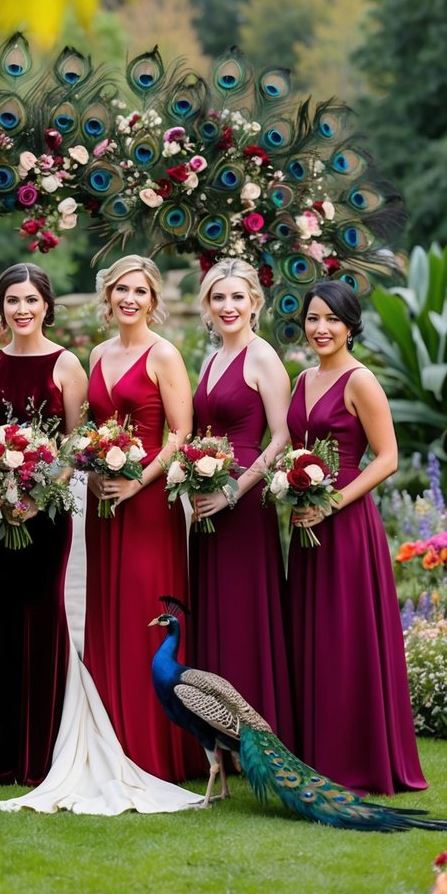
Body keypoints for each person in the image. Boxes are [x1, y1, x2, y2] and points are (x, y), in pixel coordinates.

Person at [286, 281, 426, 794]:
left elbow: (386, 457)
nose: (321, 329)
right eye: (313, 318)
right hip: (306, 522)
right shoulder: (302, 379)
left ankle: (355, 757)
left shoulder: (359, 380)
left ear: (350, 326)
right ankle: (317, 753)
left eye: (332, 320)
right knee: (312, 632)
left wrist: (332, 503)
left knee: (345, 635)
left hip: (344, 522)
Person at [83, 255, 202, 782]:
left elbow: (180, 433)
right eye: (120, 289)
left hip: (149, 502)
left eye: (139, 291)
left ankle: (155, 746)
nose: (129, 298)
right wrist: (91, 472)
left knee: (143, 611)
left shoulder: (165, 355)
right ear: (107, 297)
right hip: (104, 504)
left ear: (153, 301)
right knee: (108, 610)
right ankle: (111, 737)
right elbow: (90, 429)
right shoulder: (97, 354)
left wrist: (137, 481)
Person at [0, 263, 87, 784]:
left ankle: (39, 751)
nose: (22, 309)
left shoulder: (67, 365)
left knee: (41, 617)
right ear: (0, 309)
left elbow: (74, 447)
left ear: (47, 306)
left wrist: (38, 499)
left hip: (44, 516)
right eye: (12, 300)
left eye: (31, 300)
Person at [189, 258, 294, 742]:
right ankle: (219, 734)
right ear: (207, 307)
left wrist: (234, 488)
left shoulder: (262, 356)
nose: (227, 306)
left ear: (254, 302)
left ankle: (255, 734)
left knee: (243, 612)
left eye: (237, 297)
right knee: (213, 609)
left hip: (245, 504)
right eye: (218, 297)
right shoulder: (211, 361)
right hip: (208, 502)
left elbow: (281, 438)